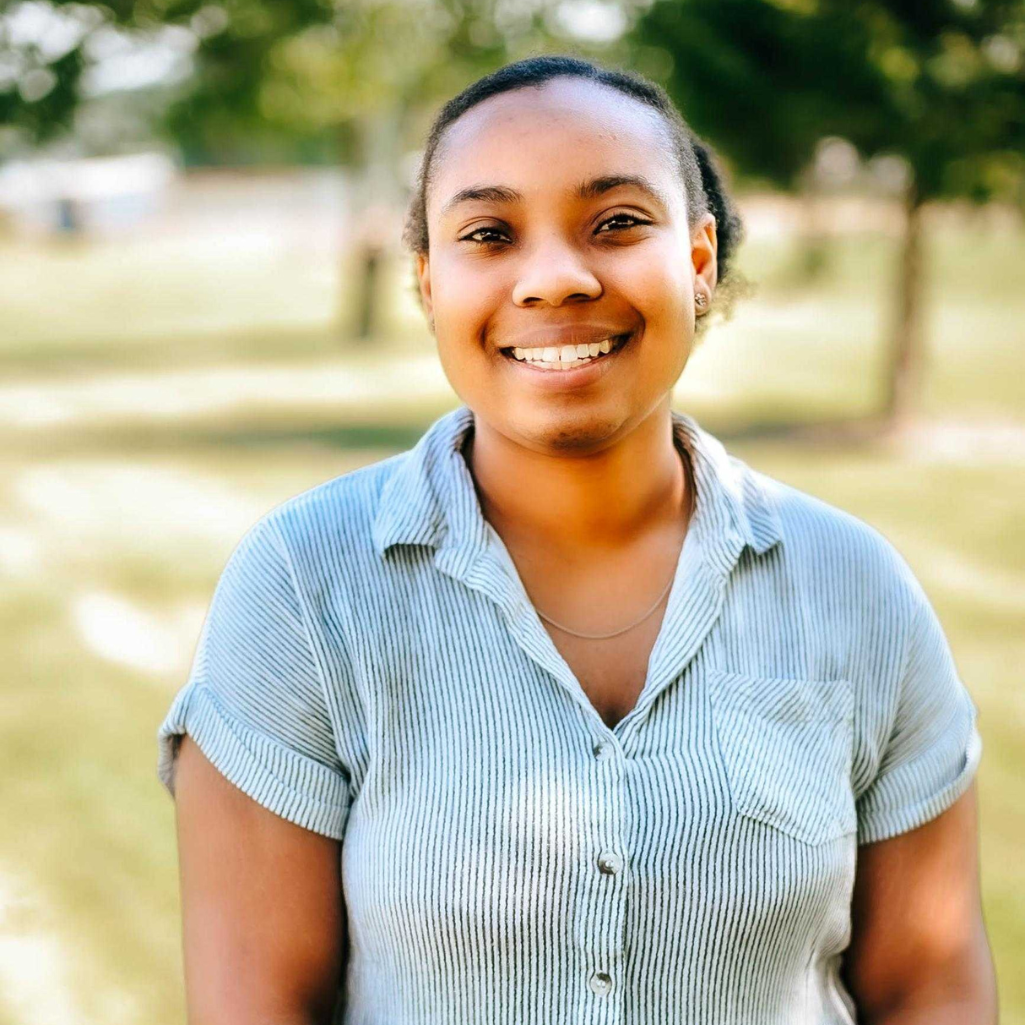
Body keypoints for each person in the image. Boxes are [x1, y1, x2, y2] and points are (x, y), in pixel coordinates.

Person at [156, 54, 997, 1025]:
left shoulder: (854, 588)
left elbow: (927, 985)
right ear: (430, 283)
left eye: (616, 221)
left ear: (697, 260)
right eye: (488, 233)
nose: (554, 276)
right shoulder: (304, 588)